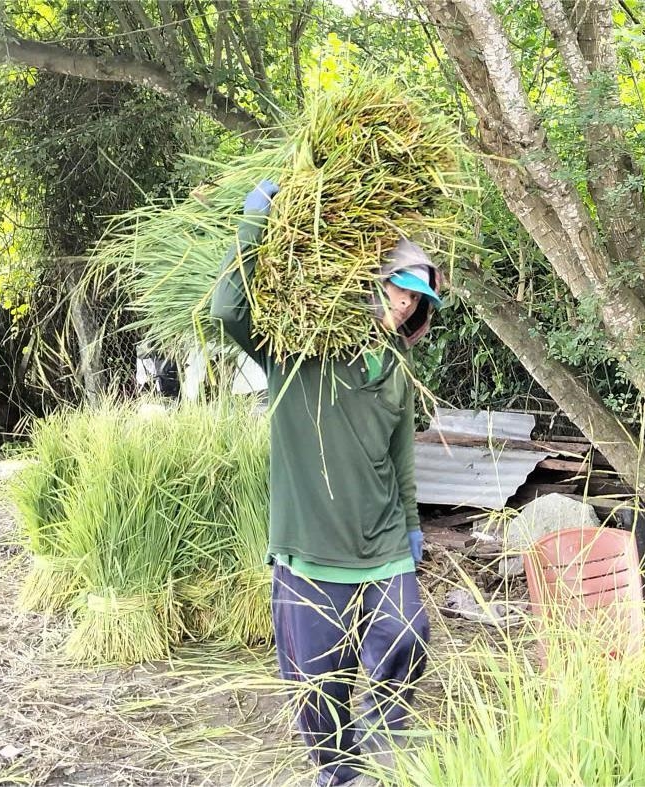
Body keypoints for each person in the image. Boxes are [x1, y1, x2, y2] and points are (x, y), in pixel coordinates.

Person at [209, 180, 441, 787]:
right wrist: (253, 224)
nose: (407, 305)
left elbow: (401, 459)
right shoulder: (297, 353)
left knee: (408, 638)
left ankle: (379, 736)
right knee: (319, 683)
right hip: (311, 549)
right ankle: (339, 773)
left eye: (418, 299)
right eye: (399, 288)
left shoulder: (395, 371)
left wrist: (413, 532)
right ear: (370, 282)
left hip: (383, 544)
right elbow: (229, 310)